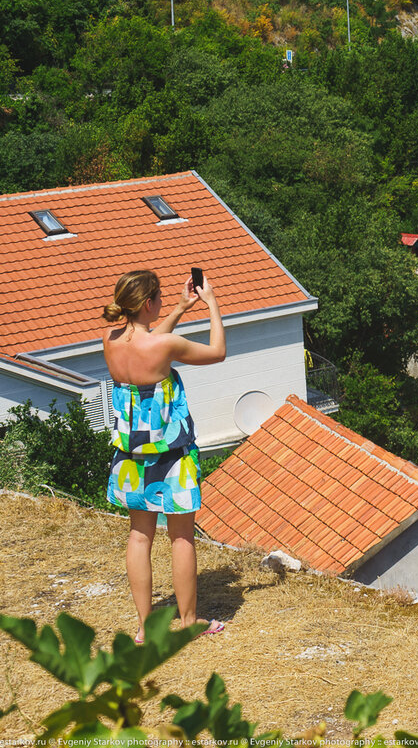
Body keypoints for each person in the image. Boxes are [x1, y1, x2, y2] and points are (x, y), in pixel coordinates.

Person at [101, 270, 226, 643]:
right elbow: (217, 352)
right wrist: (211, 304)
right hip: (170, 455)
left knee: (139, 537)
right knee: (181, 538)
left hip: (130, 454)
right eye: (158, 298)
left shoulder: (109, 338)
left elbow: (149, 339)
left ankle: (144, 627)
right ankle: (188, 623)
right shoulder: (164, 346)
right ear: (146, 303)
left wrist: (179, 307)